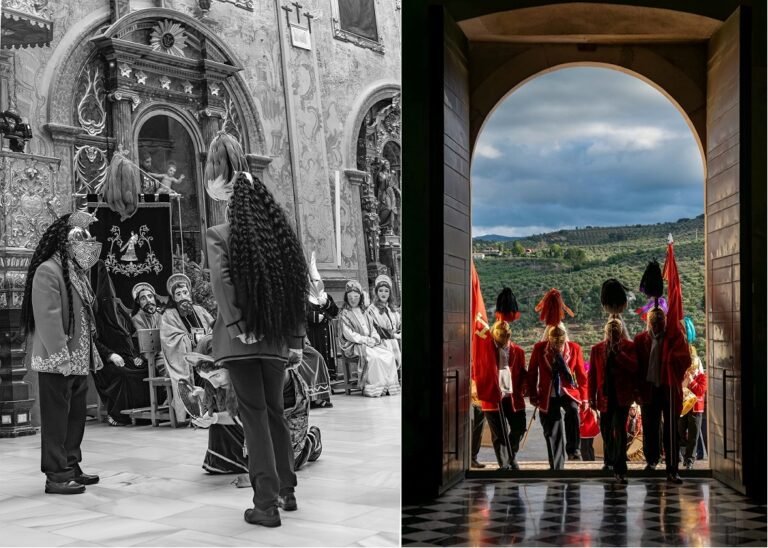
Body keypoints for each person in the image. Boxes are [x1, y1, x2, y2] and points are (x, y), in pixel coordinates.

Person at [204, 131, 308, 527]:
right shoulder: (280, 240)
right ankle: (287, 489)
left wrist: (238, 325)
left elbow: (223, 284)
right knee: (275, 412)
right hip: (276, 341)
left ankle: (264, 504)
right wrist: (295, 340)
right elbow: (295, 287)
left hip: (241, 341)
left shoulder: (220, 236)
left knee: (254, 416)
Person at [20, 211, 103, 495]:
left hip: (79, 359)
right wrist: (60, 356)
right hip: (58, 361)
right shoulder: (48, 270)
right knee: (56, 421)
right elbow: (48, 317)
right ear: (65, 244)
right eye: (81, 242)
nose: (86, 248)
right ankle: (56, 474)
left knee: (75, 417)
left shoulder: (74, 272)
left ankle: (71, 464)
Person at [634, 251, 690, 484]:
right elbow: (637, 367)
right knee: (650, 426)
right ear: (648, 321)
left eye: (660, 320)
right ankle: (651, 460)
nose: (657, 323)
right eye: (653, 321)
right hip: (649, 388)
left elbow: (685, 360)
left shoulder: (673, 337)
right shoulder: (640, 341)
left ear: (665, 321)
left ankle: (672, 467)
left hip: (668, 388)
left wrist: (671, 361)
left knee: (671, 430)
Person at [527, 289, 587, 470]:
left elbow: (581, 376)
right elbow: (532, 373)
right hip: (548, 393)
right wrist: (533, 395)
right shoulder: (540, 349)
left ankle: (574, 450)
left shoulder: (574, 349)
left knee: (573, 411)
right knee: (553, 427)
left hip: (568, 391)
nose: (558, 346)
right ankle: (556, 464)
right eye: (555, 343)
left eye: (560, 343)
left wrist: (584, 398)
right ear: (549, 340)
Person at [90, 261, 150, 426]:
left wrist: (137, 355)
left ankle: (143, 413)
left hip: (128, 356)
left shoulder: (119, 311)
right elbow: (93, 341)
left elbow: (133, 335)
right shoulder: (96, 315)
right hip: (106, 361)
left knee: (145, 369)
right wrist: (110, 355)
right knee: (124, 375)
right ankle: (118, 415)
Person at [589, 317, 638, 484]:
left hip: (622, 396)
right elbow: (592, 375)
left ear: (620, 331)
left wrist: (620, 354)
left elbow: (634, 368)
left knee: (620, 430)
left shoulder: (629, 347)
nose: (613, 334)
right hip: (604, 396)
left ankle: (620, 466)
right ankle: (609, 459)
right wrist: (591, 397)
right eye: (610, 332)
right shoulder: (597, 349)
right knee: (606, 429)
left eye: (616, 331)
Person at [160, 273, 214, 422]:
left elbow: (213, 327)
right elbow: (169, 340)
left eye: (185, 292)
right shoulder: (169, 315)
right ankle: (200, 411)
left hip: (206, 353)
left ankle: (215, 408)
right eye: (178, 294)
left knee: (215, 365)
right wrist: (189, 339)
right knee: (204, 369)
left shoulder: (200, 310)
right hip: (184, 358)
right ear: (173, 298)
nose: (183, 296)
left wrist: (206, 338)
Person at [338, 279, 400, 397]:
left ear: (360, 297)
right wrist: (366, 340)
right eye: (350, 297)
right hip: (354, 345)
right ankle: (373, 387)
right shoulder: (344, 314)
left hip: (369, 342)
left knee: (388, 355)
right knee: (374, 357)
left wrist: (375, 338)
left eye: (356, 296)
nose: (353, 299)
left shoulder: (364, 312)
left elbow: (373, 329)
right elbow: (349, 334)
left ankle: (388, 386)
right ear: (346, 298)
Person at [481, 318, 527, 470]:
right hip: (492, 397)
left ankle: (511, 456)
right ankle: (505, 465)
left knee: (519, 428)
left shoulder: (518, 351)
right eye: (500, 335)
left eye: (506, 335)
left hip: (513, 397)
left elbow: (523, 373)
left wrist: (526, 389)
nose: (504, 339)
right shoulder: (485, 351)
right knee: (499, 434)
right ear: (494, 334)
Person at [306, 251, 340, 379]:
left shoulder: (326, 296)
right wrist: (313, 316)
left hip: (327, 331)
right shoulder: (305, 298)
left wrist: (326, 304)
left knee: (327, 355)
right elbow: (302, 314)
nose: (315, 283)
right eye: (312, 281)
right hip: (314, 333)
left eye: (317, 280)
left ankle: (329, 377)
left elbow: (335, 311)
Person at [365, 274, 402, 371]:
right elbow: (375, 329)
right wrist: (394, 335)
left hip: (394, 339)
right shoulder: (371, 310)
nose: (383, 293)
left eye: (386, 291)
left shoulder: (392, 309)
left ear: (390, 293)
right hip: (380, 341)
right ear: (376, 293)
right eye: (380, 290)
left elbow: (398, 324)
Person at [679, 341, 707, 471]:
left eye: (693, 367)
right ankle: (684, 454)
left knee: (693, 436)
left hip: (696, 409)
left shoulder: (702, 377)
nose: (692, 369)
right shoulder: (684, 375)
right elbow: (681, 389)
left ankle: (689, 460)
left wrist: (692, 381)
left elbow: (700, 391)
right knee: (680, 432)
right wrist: (686, 380)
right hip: (684, 408)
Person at [130, 282, 166, 374]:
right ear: (138, 302)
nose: (148, 300)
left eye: (150, 296)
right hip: (154, 356)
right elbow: (146, 346)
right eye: (143, 298)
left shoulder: (161, 316)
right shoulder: (136, 319)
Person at [297, 339, 333, 408]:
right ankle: (304, 399)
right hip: (287, 347)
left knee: (318, 356)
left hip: (300, 345)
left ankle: (318, 398)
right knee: (299, 364)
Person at [470, 378, 486, 468]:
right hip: (472, 398)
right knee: (474, 430)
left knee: (478, 431)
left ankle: (472, 458)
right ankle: (471, 458)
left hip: (480, 399)